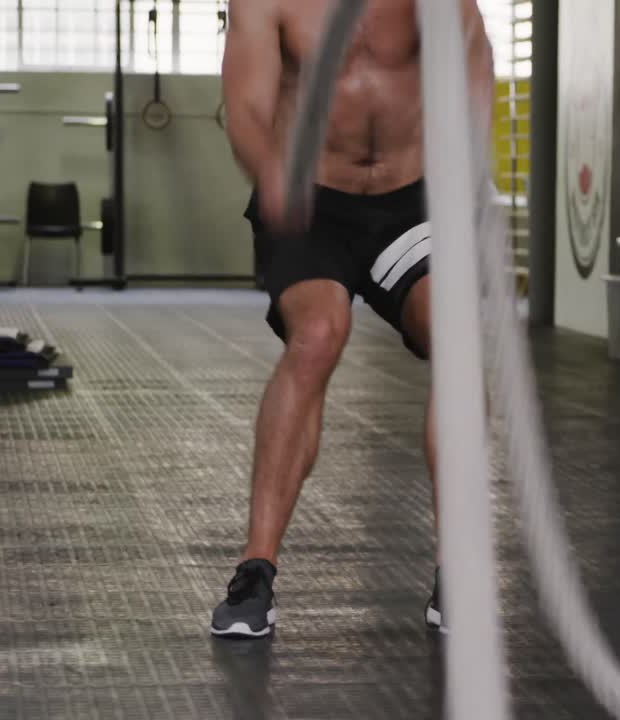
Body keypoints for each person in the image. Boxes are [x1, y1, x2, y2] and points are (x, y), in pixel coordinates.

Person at [210, 0, 493, 638]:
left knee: (458, 343)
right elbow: (248, 110)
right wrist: (269, 170)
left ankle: (458, 572)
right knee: (316, 336)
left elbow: (474, 58)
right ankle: (256, 571)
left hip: (412, 202)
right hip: (312, 201)